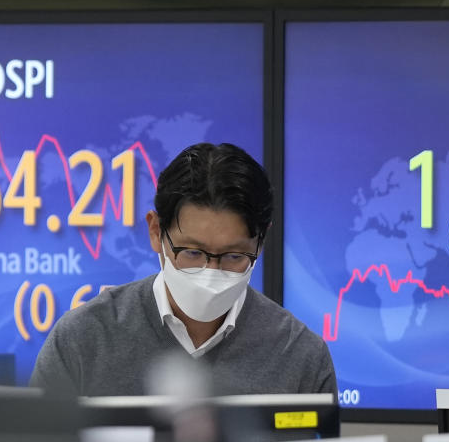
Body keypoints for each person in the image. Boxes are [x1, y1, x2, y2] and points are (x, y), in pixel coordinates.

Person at [29, 142, 337, 397]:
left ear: (261, 242)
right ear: (155, 232)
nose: (210, 272)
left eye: (233, 256)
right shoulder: (83, 341)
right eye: (192, 252)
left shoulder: (301, 357)